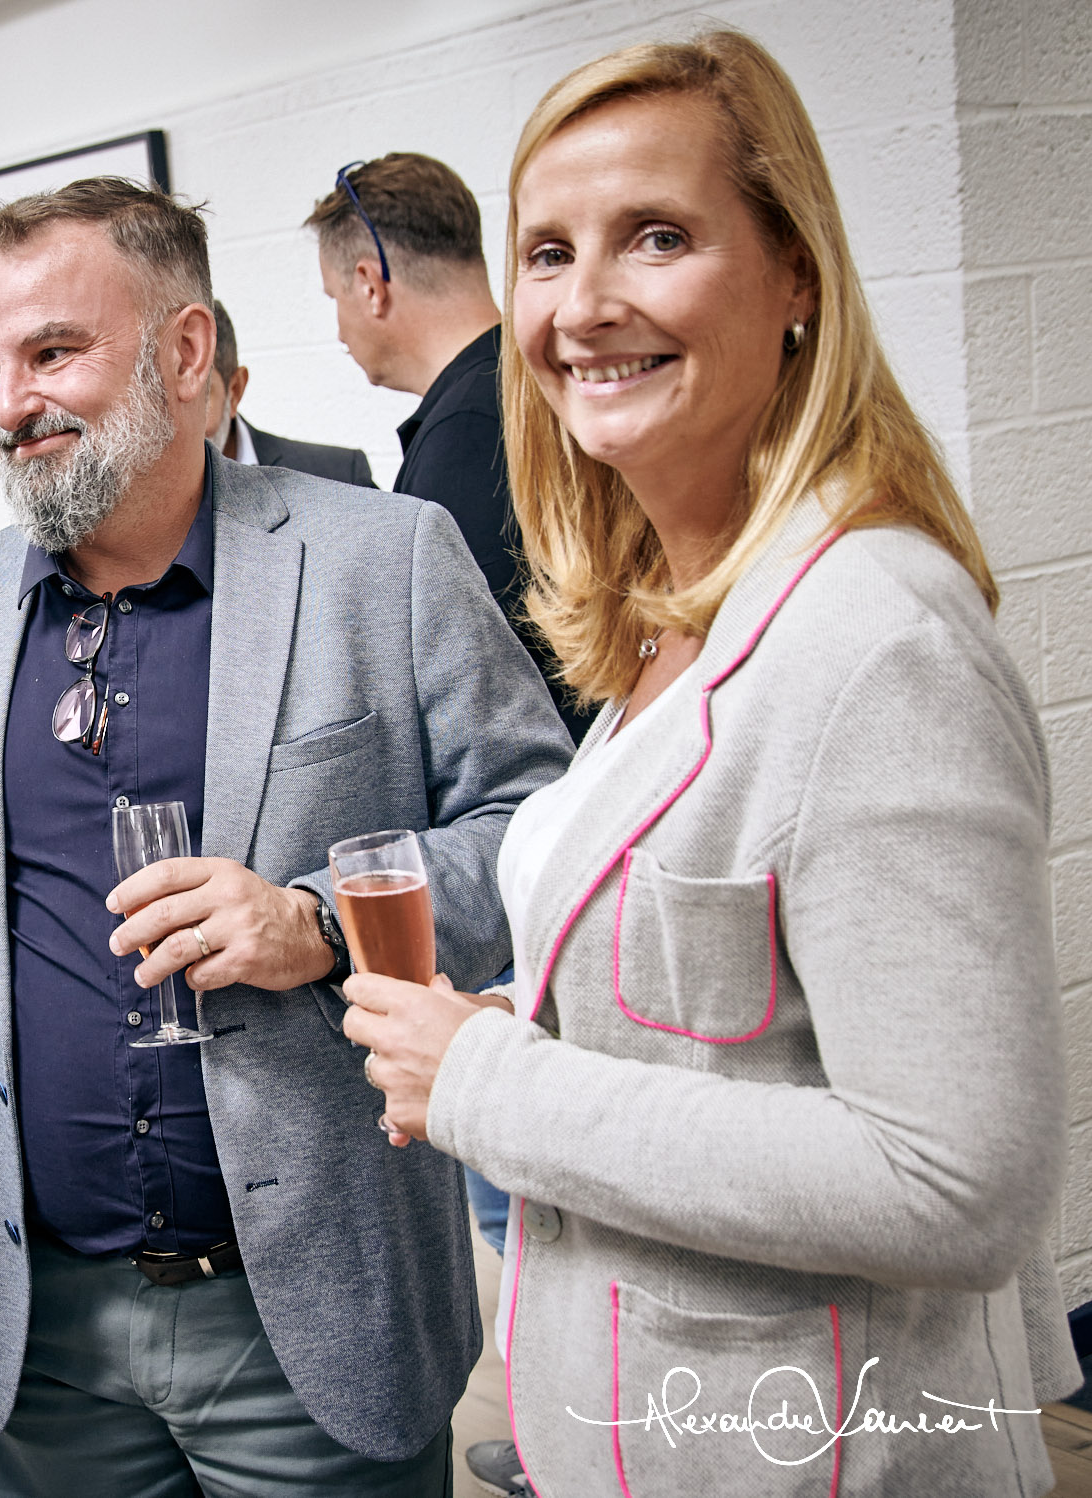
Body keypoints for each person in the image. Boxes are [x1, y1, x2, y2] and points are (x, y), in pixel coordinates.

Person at [343, 33, 1077, 1498]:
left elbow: (954, 1180)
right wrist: (523, 1021)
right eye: (545, 252)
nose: (582, 303)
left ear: (792, 274)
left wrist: (489, 1080)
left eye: (656, 237)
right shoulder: (682, 612)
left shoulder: (876, 640)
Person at [0, 177, 572, 1497]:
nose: (7, 402)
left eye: (51, 350)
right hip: (35, 1332)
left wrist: (311, 921)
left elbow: (536, 829)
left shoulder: (384, 560)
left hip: (306, 1313)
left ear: (184, 353)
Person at [307, 156, 590, 740]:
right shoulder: (533, 383)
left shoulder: (464, 435)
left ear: (369, 285)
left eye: (335, 297)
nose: (339, 330)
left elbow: (484, 688)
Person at [202, 300, 373, 486]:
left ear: (235, 391)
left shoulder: (337, 476)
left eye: (198, 397)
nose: (176, 424)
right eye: (164, 396)